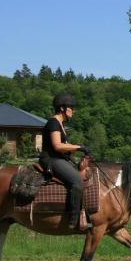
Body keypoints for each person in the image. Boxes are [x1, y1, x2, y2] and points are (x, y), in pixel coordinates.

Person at [40, 93, 91, 229]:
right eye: (71, 108)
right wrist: (79, 147)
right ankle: (73, 219)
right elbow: (57, 146)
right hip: (51, 159)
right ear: (62, 108)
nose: (73, 110)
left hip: (59, 158)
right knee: (77, 181)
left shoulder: (60, 124)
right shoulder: (53, 122)